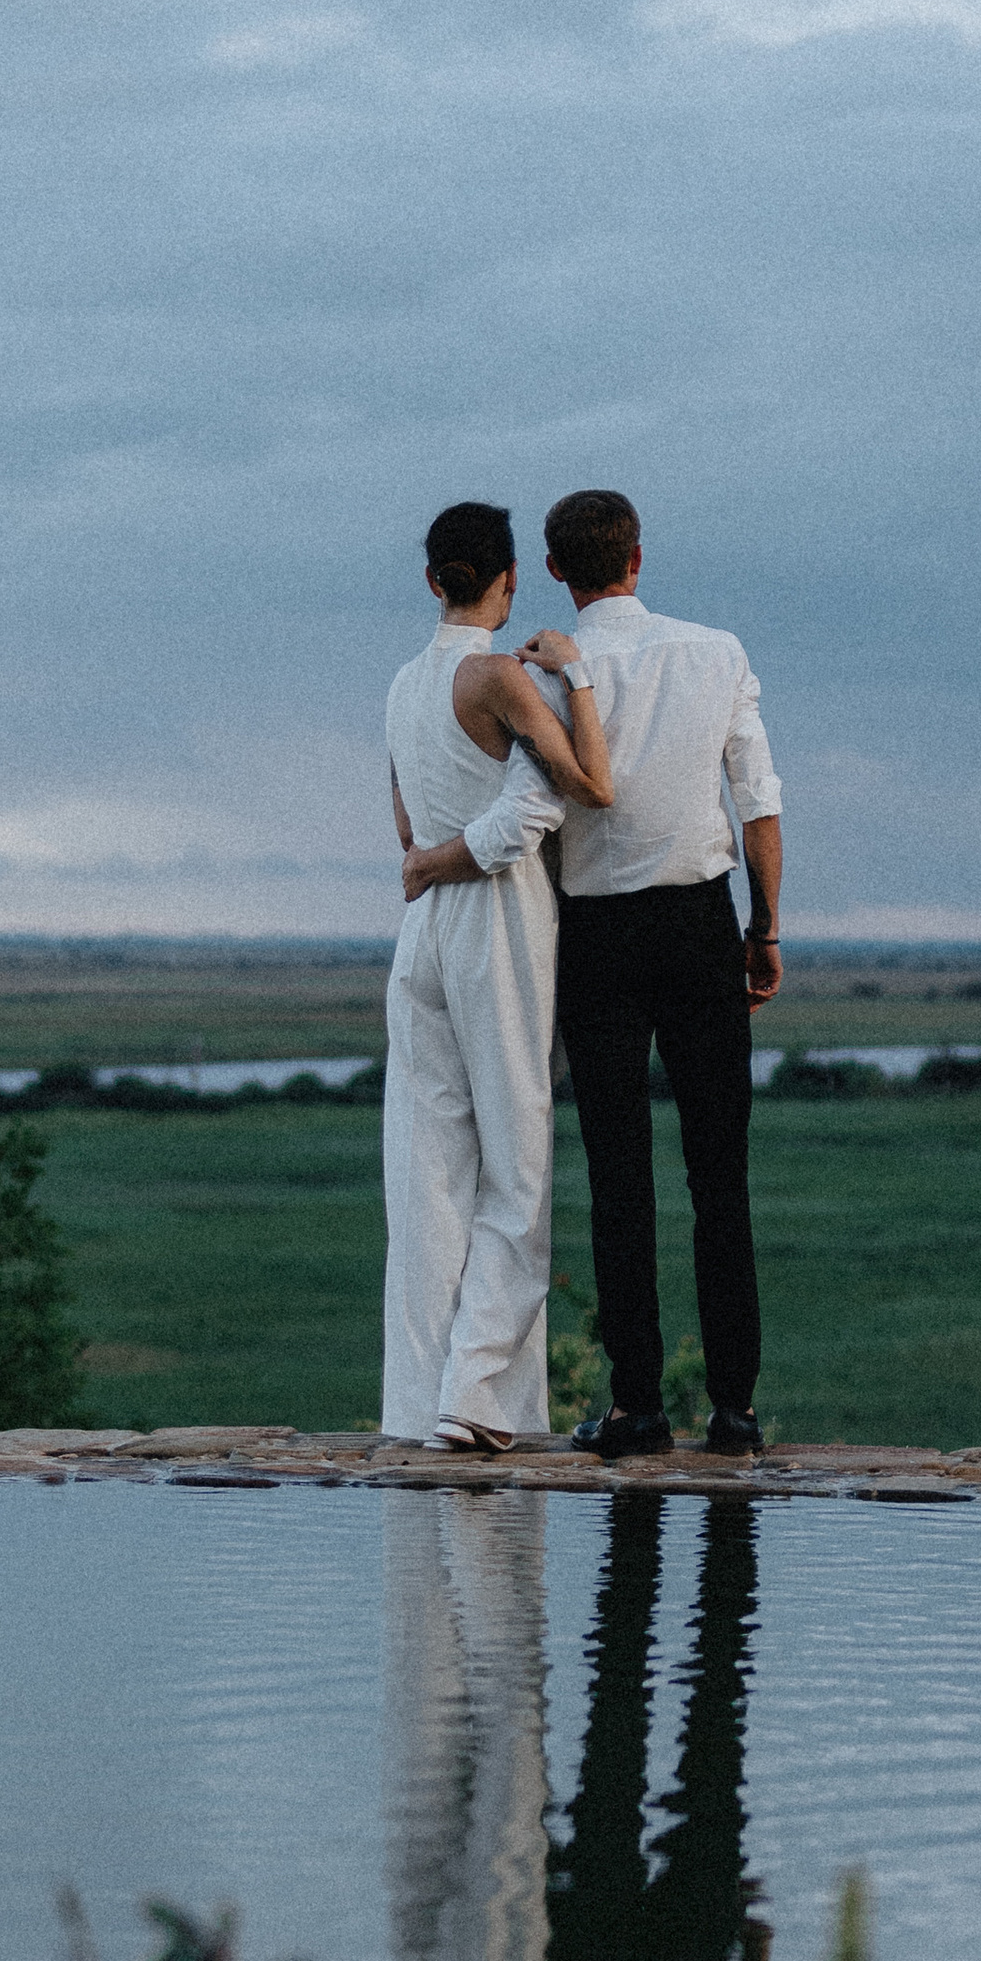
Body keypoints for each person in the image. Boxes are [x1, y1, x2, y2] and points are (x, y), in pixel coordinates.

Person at [403, 484, 780, 1455]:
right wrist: (764, 928)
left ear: (555, 570)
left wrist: (434, 860)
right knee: (720, 1173)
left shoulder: (543, 673)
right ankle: (735, 1409)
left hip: (596, 936)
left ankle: (635, 1406)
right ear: (637, 557)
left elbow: (535, 804)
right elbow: (757, 802)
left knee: (619, 1176)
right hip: (701, 920)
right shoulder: (717, 652)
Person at [381, 500, 614, 1449]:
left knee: (426, 1174)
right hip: (498, 916)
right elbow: (562, 799)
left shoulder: (403, 685)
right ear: (510, 580)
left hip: (421, 933)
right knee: (518, 1167)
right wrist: (577, 679)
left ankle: (420, 1402)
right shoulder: (500, 678)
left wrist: (430, 860)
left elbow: (406, 825)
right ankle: (477, 1395)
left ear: (432, 580)